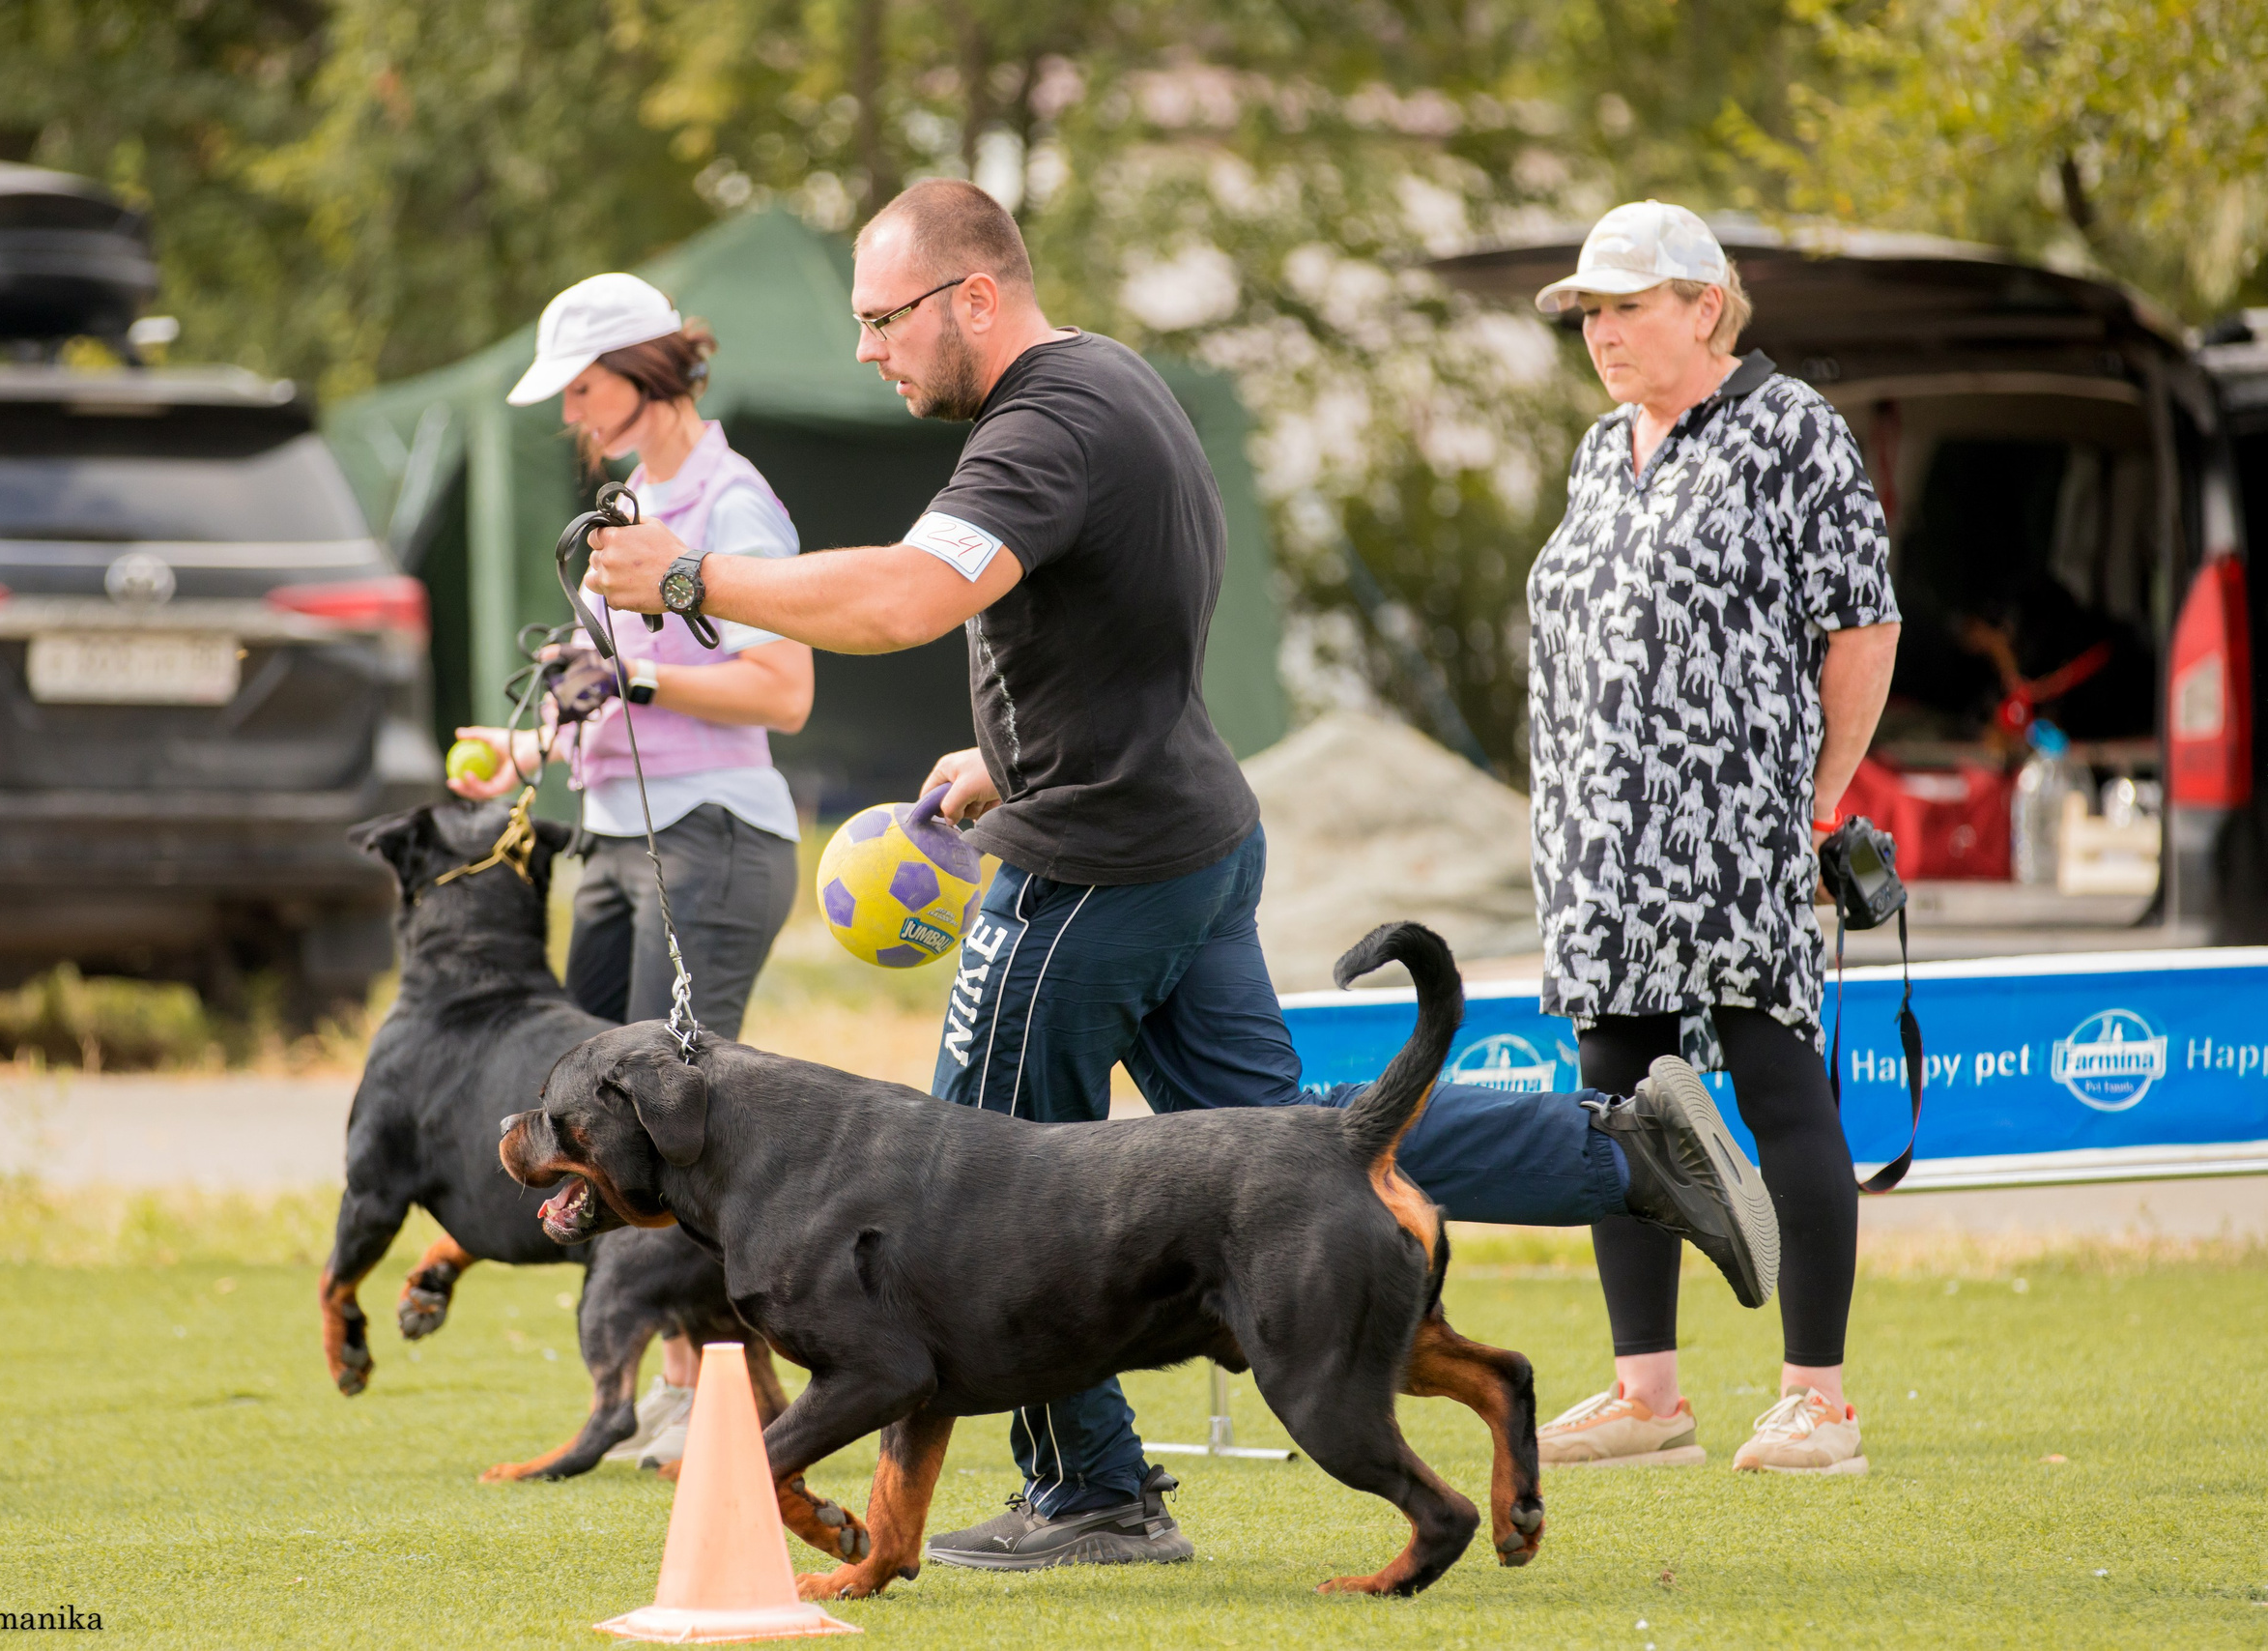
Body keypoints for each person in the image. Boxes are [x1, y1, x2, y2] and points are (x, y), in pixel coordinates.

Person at [582, 179, 1776, 1569]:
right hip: (1183, 829)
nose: (867, 350)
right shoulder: (1113, 383)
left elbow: (907, 600)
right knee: (1301, 1156)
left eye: (883, 319)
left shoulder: (1036, 430)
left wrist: (692, 582)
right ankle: (1621, 1148)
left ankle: (1092, 1495)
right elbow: (1126, 617)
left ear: (976, 296)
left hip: (1093, 870)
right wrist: (1002, 757)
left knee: (967, 1205)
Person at [1523, 200, 1902, 1475]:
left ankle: (1819, 1402)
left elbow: (1863, 623)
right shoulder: (1596, 448)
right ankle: (1649, 1396)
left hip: (1739, 826)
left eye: (1628, 306)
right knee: (1617, 1105)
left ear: (1704, 305)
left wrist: (1819, 799)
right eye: (1591, 311)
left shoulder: (1795, 430)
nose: (1604, 332)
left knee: (1780, 1090)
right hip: (1599, 843)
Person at [452, 272, 815, 1471]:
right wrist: (525, 745)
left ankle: (720, 1403)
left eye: (584, 387)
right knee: (603, 1123)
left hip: (710, 837)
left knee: (683, 1129)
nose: (569, 412)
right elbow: (601, 696)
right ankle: (681, 1393)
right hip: (618, 837)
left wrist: (639, 679)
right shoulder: (632, 507)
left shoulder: (730, 503)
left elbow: (784, 688)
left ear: (648, 376)